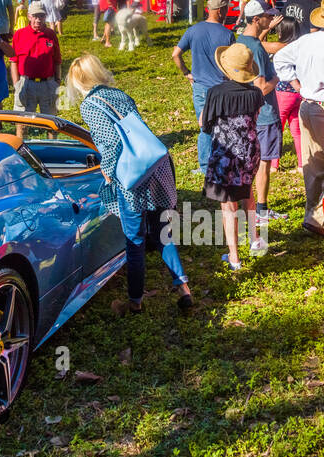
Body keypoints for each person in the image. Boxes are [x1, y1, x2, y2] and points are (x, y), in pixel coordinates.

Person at [65, 54, 193, 312]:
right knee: (162, 233)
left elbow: (110, 142)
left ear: (78, 81)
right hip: (156, 167)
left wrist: (108, 171)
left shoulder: (90, 105)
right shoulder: (119, 94)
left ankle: (135, 302)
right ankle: (184, 289)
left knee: (134, 240)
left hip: (132, 176)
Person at [273, 0, 324, 235]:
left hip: (307, 105)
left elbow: (280, 60)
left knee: (314, 164)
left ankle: (313, 211)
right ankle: (318, 217)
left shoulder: (304, 42)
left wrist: (298, 86)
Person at [203, 43, 263, 271]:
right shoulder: (256, 93)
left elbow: (206, 125)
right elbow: (253, 119)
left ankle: (235, 257)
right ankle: (255, 239)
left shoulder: (215, 93)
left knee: (228, 206)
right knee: (248, 193)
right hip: (250, 151)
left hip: (225, 155)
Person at [236, 0, 285, 233]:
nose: (270, 21)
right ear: (256, 19)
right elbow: (262, 87)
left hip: (246, 113)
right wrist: (278, 78)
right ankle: (261, 212)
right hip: (264, 114)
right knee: (263, 164)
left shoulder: (240, 41)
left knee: (249, 165)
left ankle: (250, 209)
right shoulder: (256, 47)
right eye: (267, 17)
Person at [173, 0, 234, 174]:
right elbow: (231, 63)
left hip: (200, 87)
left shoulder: (193, 30)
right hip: (221, 88)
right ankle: (223, 161)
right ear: (222, 10)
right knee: (223, 125)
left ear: (208, 9)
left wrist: (186, 72)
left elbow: (175, 54)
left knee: (204, 127)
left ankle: (205, 167)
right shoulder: (227, 34)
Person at [11, 1, 60, 117]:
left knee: (51, 122)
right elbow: (14, 61)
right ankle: (22, 136)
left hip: (48, 83)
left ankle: (50, 135)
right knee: (22, 122)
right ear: (29, 16)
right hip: (26, 83)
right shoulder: (19, 34)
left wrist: (57, 81)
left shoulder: (51, 34)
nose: (38, 20)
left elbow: (57, 60)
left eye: (41, 16)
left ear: (45, 16)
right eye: (35, 16)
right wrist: (16, 83)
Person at [273, 16, 303, 172]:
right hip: (299, 94)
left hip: (284, 92)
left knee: (277, 128)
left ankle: (273, 165)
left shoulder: (282, 49)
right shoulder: (301, 48)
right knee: (297, 130)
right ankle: (301, 164)